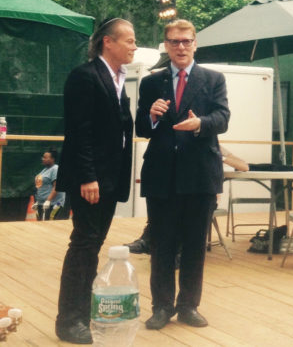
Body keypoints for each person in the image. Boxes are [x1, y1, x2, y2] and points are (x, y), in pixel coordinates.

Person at [136, 19, 230, 331]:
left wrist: (200, 123)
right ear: (166, 45)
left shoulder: (213, 79)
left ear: (195, 44)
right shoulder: (152, 83)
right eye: (175, 42)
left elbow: (223, 118)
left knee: (193, 245)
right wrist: (150, 115)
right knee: (161, 245)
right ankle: (161, 307)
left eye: (186, 41)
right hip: (162, 175)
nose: (181, 47)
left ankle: (189, 306)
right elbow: (139, 127)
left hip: (200, 175)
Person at [54, 18, 137, 344]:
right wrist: (88, 176)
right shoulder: (85, 76)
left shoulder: (119, 79)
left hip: (109, 180)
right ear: (108, 42)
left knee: (92, 246)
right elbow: (80, 132)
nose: (133, 45)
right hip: (90, 180)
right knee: (84, 246)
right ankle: (68, 320)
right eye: (128, 40)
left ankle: (82, 313)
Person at [125, 145, 249, 255]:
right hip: (182, 193)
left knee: (184, 210)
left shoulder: (215, 147)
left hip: (204, 198)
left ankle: (156, 246)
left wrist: (219, 157)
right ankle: (150, 243)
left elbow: (244, 166)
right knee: (167, 208)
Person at [33, 149, 65, 220]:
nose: (42, 159)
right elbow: (42, 186)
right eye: (42, 157)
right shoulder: (44, 170)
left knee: (49, 226)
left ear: (52, 159)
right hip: (42, 204)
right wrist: (38, 202)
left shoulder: (55, 169)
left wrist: (48, 200)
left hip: (53, 204)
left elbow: (56, 186)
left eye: (45, 157)